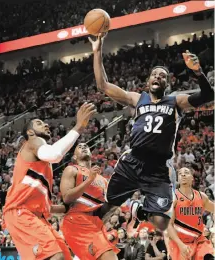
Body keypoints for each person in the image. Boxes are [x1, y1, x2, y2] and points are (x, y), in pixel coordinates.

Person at [89, 34, 214, 231]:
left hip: (158, 169)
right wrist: (97, 51)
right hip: (132, 163)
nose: (157, 77)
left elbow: (208, 95)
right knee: (108, 206)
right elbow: (102, 85)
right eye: (154, 74)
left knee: (161, 224)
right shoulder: (138, 98)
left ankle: (139, 210)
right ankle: (89, 232)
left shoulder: (176, 102)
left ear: (167, 83)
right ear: (148, 81)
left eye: (162, 76)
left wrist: (198, 72)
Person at [3, 103, 96, 260]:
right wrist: (78, 127)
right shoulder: (32, 142)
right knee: (55, 256)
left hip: (36, 215)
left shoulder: (43, 167)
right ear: (30, 132)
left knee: (65, 256)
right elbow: (55, 154)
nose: (46, 124)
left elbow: (46, 207)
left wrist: (66, 208)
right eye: (39, 123)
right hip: (20, 212)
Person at [60, 143, 119, 260]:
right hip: (76, 221)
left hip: (96, 224)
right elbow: (67, 197)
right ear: (74, 157)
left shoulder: (103, 180)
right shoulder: (72, 169)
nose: (83, 147)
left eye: (86, 146)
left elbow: (104, 211)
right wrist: (89, 179)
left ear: (91, 154)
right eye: (79, 147)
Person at [167, 167, 214, 260]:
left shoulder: (201, 196)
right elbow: (169, 225)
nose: (183, 174)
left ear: (192, 178)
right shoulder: (173, 198)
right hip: (179, 242)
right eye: (180, 173)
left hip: (199, 241)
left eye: (186, 172)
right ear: (177, 179)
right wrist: (180, 245)